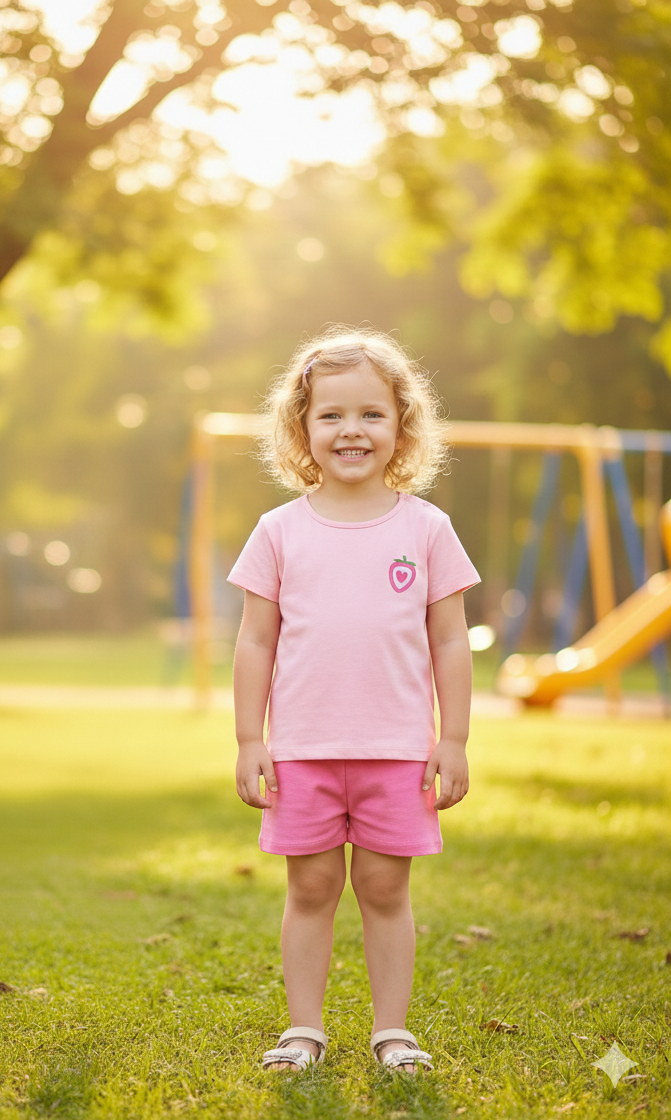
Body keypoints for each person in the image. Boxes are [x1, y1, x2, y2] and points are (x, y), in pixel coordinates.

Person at [229, 327, 479, 1076]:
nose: (352, 430)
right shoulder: (278, 531)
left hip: (397, 751)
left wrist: (454, 739)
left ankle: (391, 1031)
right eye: (331, 415)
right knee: (310, 887)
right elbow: (255, 642)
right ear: (302, 427)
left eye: (372, 414)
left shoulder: (427, 528)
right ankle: (303, 1030)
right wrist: (249, 740)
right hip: (302, 752)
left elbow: (451, 642)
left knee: (383, 887)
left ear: (402, 425)